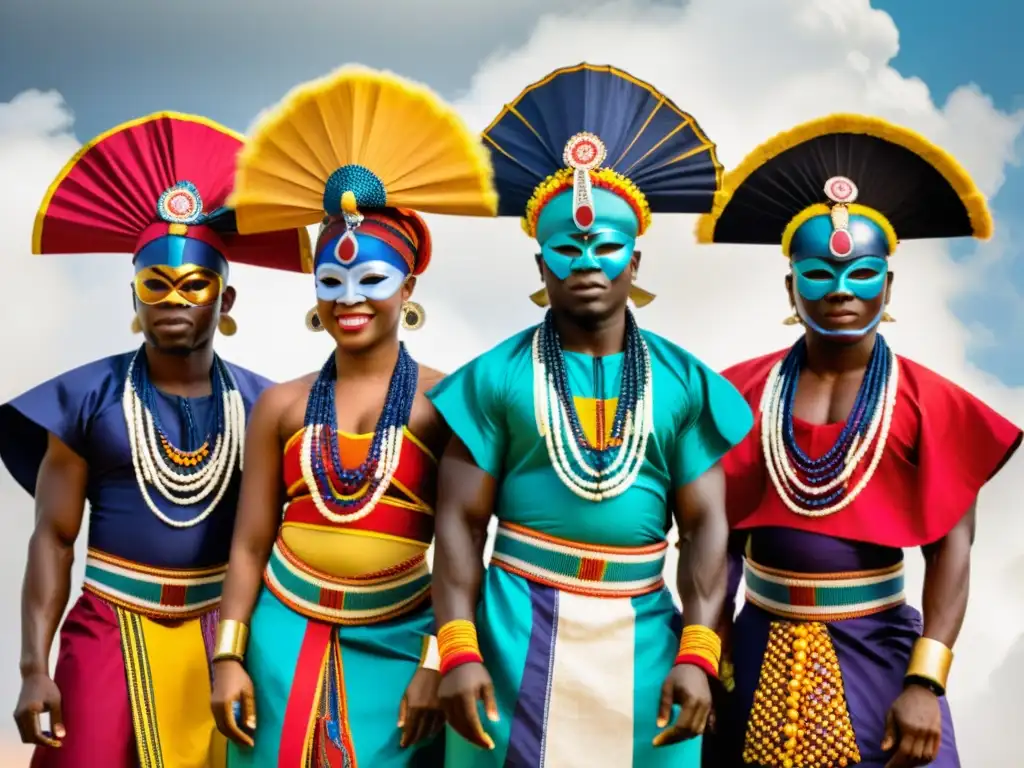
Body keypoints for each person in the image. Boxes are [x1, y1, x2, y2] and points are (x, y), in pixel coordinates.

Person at [426, 62, 755, 768]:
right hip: (514, 638)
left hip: (647, 648)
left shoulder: (685, 383)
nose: (587, 262)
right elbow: (458, 522)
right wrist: (457, 650)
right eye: (567, 248)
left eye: (605, 246)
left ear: (635, 259)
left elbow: (705, 529)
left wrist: (699, 655)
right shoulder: (493, 377)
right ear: (540, 264)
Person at [695, 114, 1023, 768]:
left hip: (880, 651)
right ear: (790, 287)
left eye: (862, 273)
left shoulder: (935, 406)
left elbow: (952, 554)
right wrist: (705, 651)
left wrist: (926, 681)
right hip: (754, 646)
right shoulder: (739, 395)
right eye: (817, 274)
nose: (841, 289)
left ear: (889, 285)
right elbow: (717, 541)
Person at [208, 65, 498, 768]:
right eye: (331, 283)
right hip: (279, 636)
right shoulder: (280, 403)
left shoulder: (449, 402)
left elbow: (467, 545)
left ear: (409, 287)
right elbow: (249, 544)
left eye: (371, 280)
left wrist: (438, 657)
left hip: (401, 638)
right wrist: (229, 655)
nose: (350, 299)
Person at [0, 113, 310, 768]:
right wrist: (34, 667)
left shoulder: (265, 406)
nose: (174, 300)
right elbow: (53, 539)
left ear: (226, 302)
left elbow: (285, 545)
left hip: (225, 638)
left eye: (195, 286)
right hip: (107, 627)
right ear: (134, 298)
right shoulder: (87, 398)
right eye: (156, 285)